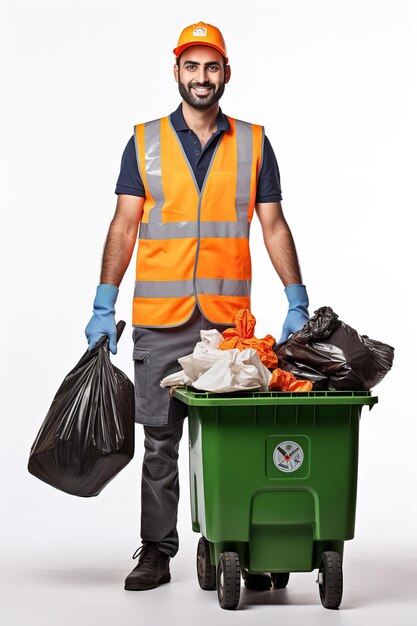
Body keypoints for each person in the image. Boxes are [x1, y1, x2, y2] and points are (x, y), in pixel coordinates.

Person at [85, 21, 309, 592]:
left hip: (226, 324)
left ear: (226, 73)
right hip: (161, 323)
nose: (202, 77)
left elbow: (273, 225)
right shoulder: (144, 141)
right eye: (192, 66)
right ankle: (157, 553)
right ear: (176, 71)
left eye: (212, 67)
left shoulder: (254, 142)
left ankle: (240, 547)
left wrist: (296, 298)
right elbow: (124, 223)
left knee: (232, 439)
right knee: (159, 443)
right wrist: (103, 302)